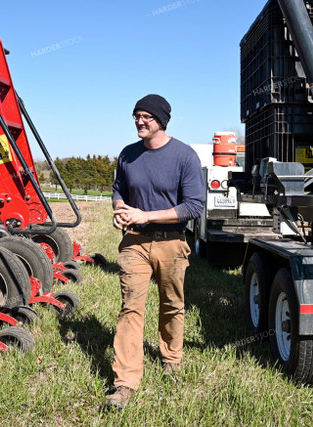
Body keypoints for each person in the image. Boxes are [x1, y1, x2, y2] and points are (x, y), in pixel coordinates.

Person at [105, 94, 205, 409]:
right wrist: (120, 206)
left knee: (172, 304)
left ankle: (171, 359)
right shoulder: (128, 154)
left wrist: (146, 215)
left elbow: (193, 206)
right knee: (130, 309)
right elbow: (118, 188)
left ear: (161, 120)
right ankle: (125, 383)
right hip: (134, 241)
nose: (139, 121)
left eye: (146, 116)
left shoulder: (184, 156)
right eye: (136, 115)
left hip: (172, 242)